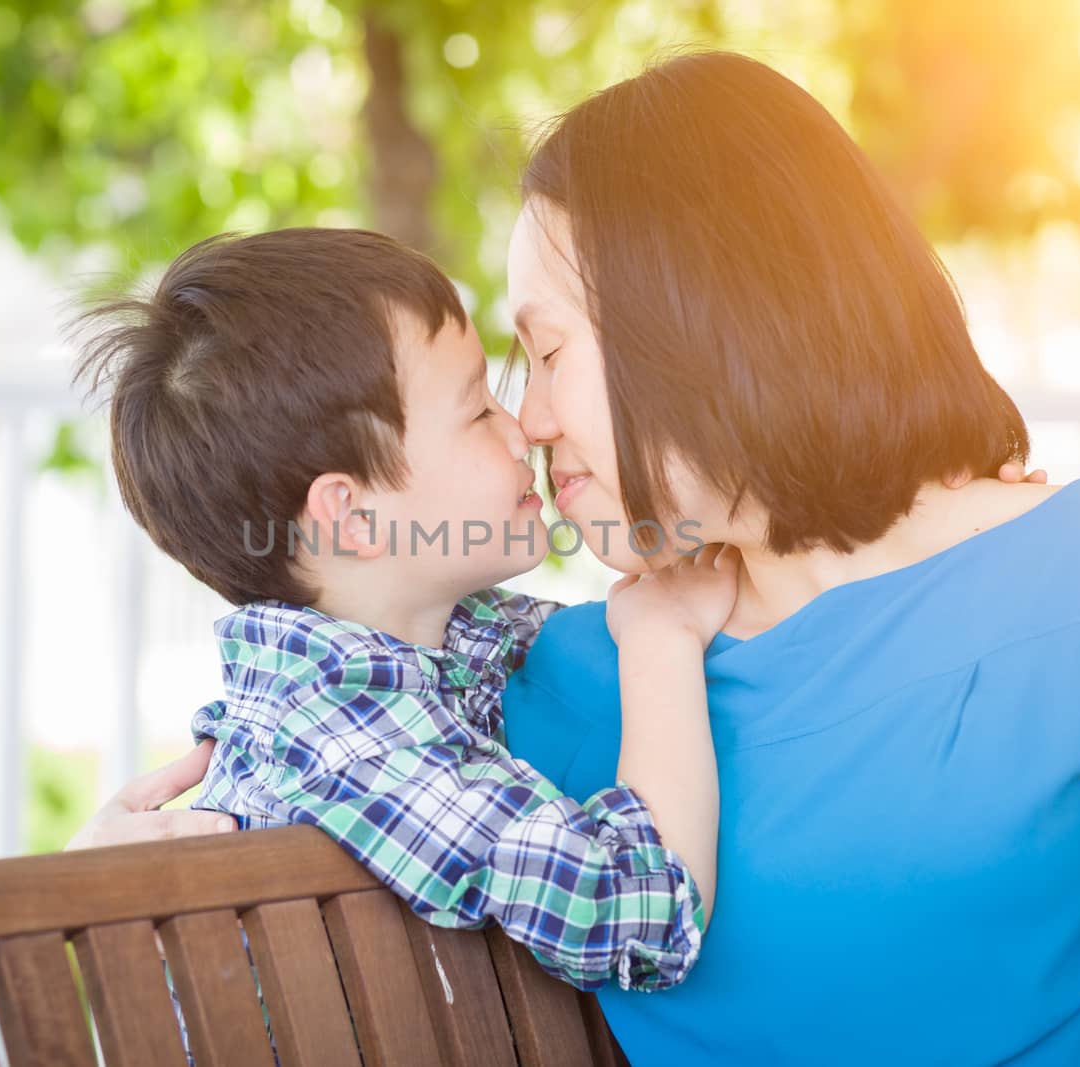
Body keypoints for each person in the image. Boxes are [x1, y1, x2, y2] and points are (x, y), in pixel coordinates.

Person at [76, 52, 1080, 1066]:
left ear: (698, 332)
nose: (530, 421)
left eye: (543, 356)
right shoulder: (540, 684)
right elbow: (320, 723)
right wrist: (109, 888)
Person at [71, 226, 733, 992]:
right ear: (353, 517)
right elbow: (643, 920)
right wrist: (664, 643)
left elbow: (556, 637)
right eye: (477, 411)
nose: (524, 429)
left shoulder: (412, 652)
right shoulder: (356, 746)